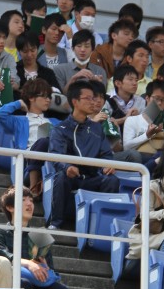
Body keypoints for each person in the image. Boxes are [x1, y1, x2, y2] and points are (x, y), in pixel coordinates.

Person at [47, 80, 120, 229]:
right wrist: (67, 167)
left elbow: (106, 154)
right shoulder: (60, 129)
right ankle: (56, 223)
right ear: (75, 101)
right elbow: (56, 155)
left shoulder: (97, 128)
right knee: (61, 177)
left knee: (112, 180)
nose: (93, 102)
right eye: (88, 98)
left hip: (93, 176)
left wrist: (107, 166)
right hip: (72, 176)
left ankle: (102, 227)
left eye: (94, 98)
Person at [0, 188, 70, 289]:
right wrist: (29, 264)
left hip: (39, 281)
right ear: (10, 207)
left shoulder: (40, 235)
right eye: (23, 200)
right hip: (13, 279)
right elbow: (4, 257)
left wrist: (45, 266)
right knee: (24, 284)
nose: (29, 204)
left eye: (31, 200)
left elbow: (51, 269)